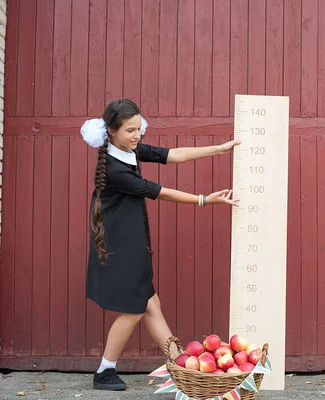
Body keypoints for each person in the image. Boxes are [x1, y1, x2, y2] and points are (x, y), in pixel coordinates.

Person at [80, 98, 239, 391]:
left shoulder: (131, 151)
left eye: (139, 128)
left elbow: (173, 155)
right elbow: (159, 192)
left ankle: (180, 363)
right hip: (119, 244)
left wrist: (219, 149)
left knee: (151, 301)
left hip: (131, 239)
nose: (137, 135)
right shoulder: (115, 169)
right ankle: (105, 371)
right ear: (112, 132)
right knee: (135, 307)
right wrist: (205, 199)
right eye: (130, 130)